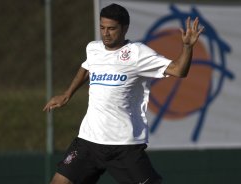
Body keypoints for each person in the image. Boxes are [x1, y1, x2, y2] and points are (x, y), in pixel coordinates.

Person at [43, 3, 204, 184]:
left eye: (111, 28)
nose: (106, 33)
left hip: (123, 145)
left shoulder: (137, 53)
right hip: (88, 141)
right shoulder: (93, 48)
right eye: (102, 28)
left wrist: (188, 47)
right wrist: (67, 94)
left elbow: (179, 70)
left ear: (125, 28)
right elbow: (87, 67)